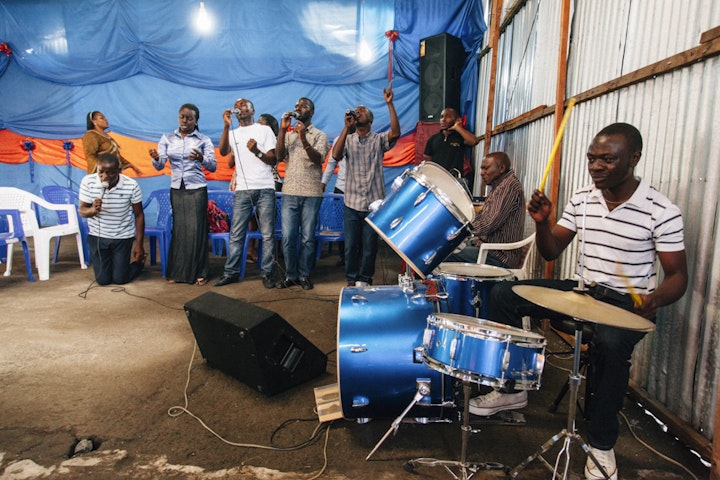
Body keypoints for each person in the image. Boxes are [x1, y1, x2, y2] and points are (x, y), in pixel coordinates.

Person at [470, 123, 688, 480]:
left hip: (625, 304)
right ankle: (512, 388)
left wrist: (655, 298)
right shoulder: (583, 198)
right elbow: (552, 248)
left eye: (607, 159)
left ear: (634, 158)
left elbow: (678, 277)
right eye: (592, 158)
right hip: (583, 291)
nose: (596, 166)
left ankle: (602, 446)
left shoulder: (660, 210)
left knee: (611, 346)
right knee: (504, 294)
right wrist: (542, 223)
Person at [332, 87, 400, 286]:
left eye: (362, 110)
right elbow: (335, 156)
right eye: (356, 110)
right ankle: (352, 280)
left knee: (370, 246)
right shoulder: (348, 139)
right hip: (351, 202)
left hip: (373, 203)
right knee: (350, 246)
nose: (357, 112)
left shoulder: (378, 140)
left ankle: (366, 279)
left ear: (370, 119)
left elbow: (395, 133)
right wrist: (346, 128)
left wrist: (389, 104)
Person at [149, 103, 216, 285]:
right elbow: (160, 164)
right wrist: (156, 158)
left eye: (189, 118)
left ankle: (200, 272)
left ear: (196, 120)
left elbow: (213, 165)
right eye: (182, 117)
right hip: (177, 188)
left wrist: (201, 158)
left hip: (197, 189)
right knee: (179, 229)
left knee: (196, 230)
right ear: (178, 117)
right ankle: (178, 273)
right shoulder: (167, 138)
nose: (185, 121)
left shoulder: (203, 140)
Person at [214, 98, 278, 289]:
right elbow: (224, 151)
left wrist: (257, 151)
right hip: (243, 189)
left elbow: (273, 159)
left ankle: (267, 273)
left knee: (267, 234)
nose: (239, 107)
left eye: (243, 105)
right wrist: (226, 127)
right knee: (237, 234)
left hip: (265, 187)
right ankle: (231, 272)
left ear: (252, 110)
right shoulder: (233, 132)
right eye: (237, 105)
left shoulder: (264, 130)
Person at [275, 98, 329, 290]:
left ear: (311, 112)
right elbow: (279, 156)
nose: (298, 108)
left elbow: (317, 160)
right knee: (289, 236)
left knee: (307, 237)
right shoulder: (289, 135)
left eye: (303, 106)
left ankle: (304, 275)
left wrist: (303, 137)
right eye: (297, 106)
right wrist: (282, 130)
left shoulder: (320, 135)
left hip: (311, 194)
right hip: (289, 192)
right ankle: (291, 276)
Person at [445, 152, 525, 268]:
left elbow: (489, 223)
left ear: (501, 168)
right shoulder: (499, 185)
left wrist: (460, 231)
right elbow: (482, 216)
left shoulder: (509, 186)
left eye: (486, 168)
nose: (482, 173)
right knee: (447, 247)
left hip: (499, 256)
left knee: (444, 255)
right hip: (485, 248)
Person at [78, 152, 145, 285]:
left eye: (111, 173)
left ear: (119, 171)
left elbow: (139, 215)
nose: (105, 177)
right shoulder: (88, 182)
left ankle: (139, 264)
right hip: (98, 237)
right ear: (97, 169)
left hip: (122, 237)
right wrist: (93, 210)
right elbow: (82, 211)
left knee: (120, 279)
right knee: (103, 281)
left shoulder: (131, 185)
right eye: (101, 172)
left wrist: (139, 244)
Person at [423, 107, 478, 180]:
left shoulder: (459, 137)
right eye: (441, 117)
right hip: (437, 180)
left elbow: (473, 141)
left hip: (454, 180)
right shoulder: (433, 139)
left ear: (457, 120)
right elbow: (428, 160)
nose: (443, 120)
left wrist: (457, 127)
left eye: (448, 116)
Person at [82, 111, 143, 176]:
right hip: (101, 175)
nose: (106, 120)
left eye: (105, 118)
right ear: (94, 122)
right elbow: (90, 156)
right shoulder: (91, 135)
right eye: (102, 118)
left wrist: (131, 165)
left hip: (113, 174)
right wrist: (102, 169)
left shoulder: (108, 137)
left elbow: (116, 156)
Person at [321, 135, 347, 266]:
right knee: (341, 225)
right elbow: (332, 162)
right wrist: (324, 182)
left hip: (361, 190)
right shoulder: (340, 139)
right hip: (341, 188)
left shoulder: (369, 138)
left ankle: (358, 258)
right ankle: (344, 257)